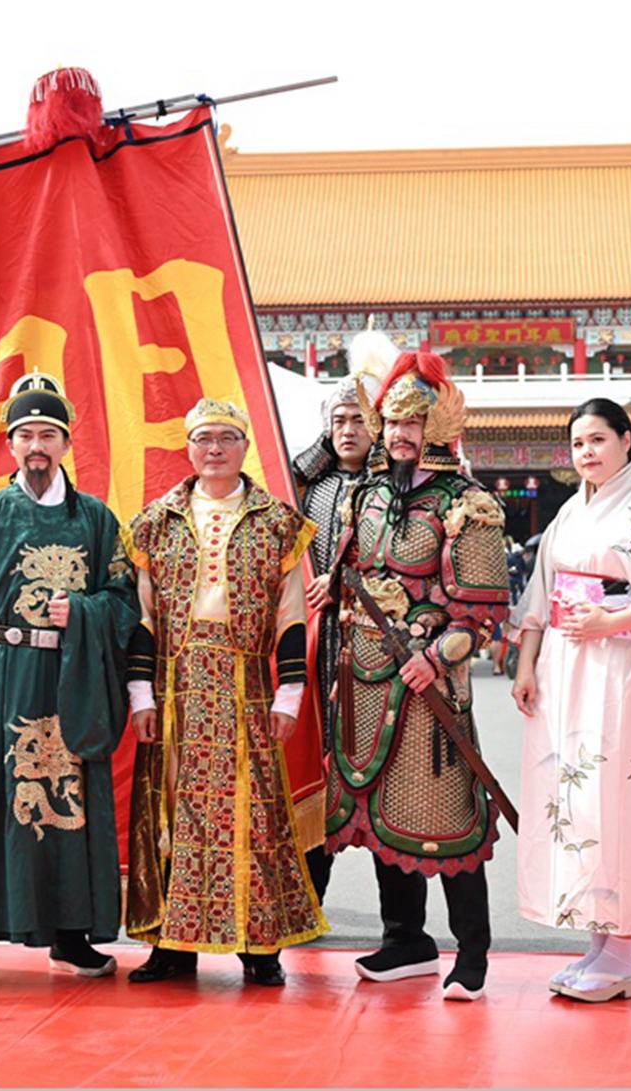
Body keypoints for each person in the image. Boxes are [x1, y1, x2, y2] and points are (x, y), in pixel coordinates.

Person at [0, 370, 138, 993]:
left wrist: (83, 613)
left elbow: (124, 599)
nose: (37, 446)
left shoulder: (96, 518)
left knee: (66, 800)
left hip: (68, 676)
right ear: (11, 445)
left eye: (49, 434)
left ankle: (70, 938)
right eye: (25, 435)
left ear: (67, 444)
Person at [509, 399, 631, 1001]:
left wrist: (612, 619)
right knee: (576, 797)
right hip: (565, 665)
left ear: (627, 441)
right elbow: (540, 596)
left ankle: (622, 953)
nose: (587, 452)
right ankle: (596, 943)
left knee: (619, 798)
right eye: (577, 443)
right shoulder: (569, 512)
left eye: (598, 439)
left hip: (623, 666)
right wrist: (527, 664)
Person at [328, 351, 512, 999]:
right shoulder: (368, 493)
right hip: (363, 677)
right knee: (379, 811)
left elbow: (482, 614)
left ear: (438, 425)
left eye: (413, 421)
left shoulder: (468, 504)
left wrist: (434, 656)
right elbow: (352, 577)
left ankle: (473, 952)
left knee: (447, 812)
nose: (400, 433)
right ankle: (405, 938)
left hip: (429, 685)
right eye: (393, 421)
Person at [125, 397, 327, 987]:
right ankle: (172, 945)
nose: (214, 448)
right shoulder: (154, 523)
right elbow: (141, 616)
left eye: (226, 438)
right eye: (203, 438)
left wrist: (289, 695)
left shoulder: (278, 523)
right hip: (176, 687)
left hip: (248, 687)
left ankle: (259, 948)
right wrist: (141, 694)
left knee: (254, 817)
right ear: (188, 448)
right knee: (174, 815)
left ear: (244, 447)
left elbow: (292, 616)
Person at [289, 330, 394, 903]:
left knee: (380, 776)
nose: (348, 430)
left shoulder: (391, 488)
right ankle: (308, 899)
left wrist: (349, 588)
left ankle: (400, 922)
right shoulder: (314, 489)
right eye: (339, 421)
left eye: (359, 419)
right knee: (315, 772)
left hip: (374, 649)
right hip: (316, 645)